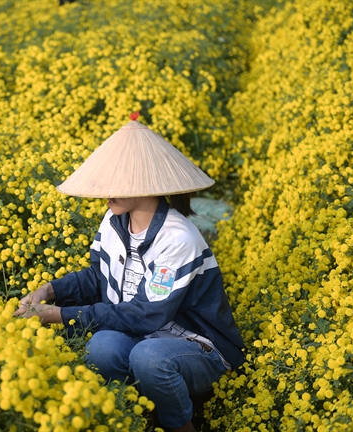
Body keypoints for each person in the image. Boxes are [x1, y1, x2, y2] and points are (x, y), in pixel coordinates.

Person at [14, 113, 246, 432]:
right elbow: (97, 277)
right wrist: (47, 291)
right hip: (144, 337)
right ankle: (140, 415)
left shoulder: (177, 238)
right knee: (102, 347)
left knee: (150, 358)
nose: (106, 191)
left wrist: (57, 314)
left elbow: (144, 316)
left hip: (196, 346)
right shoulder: (113, 221)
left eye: (117, 182)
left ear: (146, 184)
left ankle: (182, 425)